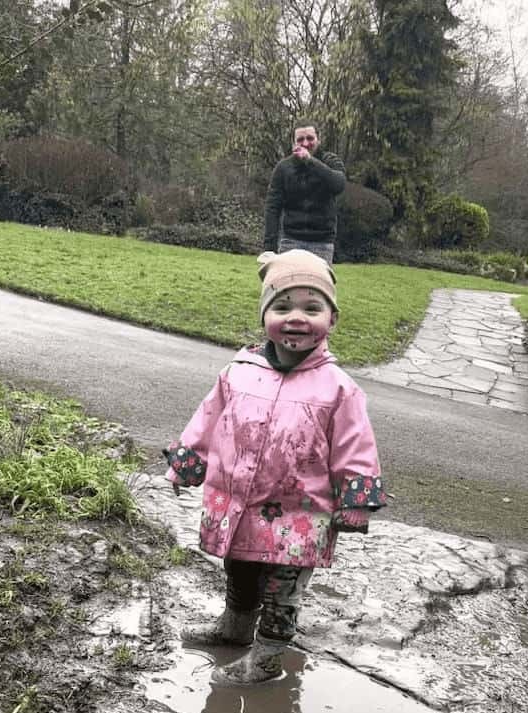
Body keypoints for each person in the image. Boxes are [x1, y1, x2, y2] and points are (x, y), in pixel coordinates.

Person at [163, 249, 386, 685]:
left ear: (332, 320)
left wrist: (355, 499)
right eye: (281, 307)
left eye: (311, 307)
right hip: (239, 504)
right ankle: (234, 628)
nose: (296, 318)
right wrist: (187, 464)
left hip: (300, 513)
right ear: (265, 314)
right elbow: (208, 420)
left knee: (282, 591)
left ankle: (266, 660)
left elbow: (354, 445)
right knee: (239, 568)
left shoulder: (339, 389)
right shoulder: (239, 372)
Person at [263, 121, 346, 265]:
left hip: (322, 243)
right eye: (300, 140)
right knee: (288, 286)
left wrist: (310, 161)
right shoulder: (283, 168)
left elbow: (338, 185)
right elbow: (272, 207)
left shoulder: (331, 161)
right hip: (290, 241)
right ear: (293, 143)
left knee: (318, 287)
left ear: (318, 139)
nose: (306, 143)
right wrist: (269, 247)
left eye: (310, 138)